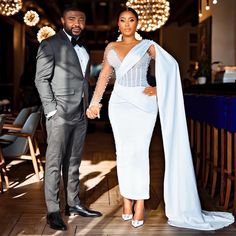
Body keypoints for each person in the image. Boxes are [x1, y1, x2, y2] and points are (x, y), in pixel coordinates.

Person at [86, 7, 234, 230]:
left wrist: (159, 88)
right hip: (119, 104)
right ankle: (127, 201)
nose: (127, 24)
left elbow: (171, 65)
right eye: (123, 20)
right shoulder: (111, 47)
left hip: (143, 104)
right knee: (123, 153)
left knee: (140, 152)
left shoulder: (148, 46)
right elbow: (104, 77)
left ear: (138, 23)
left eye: (131, 20)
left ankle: (140, 205)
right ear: (118, 24)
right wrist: (95, 103)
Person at [35, 4, 102, 231]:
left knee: (73, 162)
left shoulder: (84, 48)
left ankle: (73, 203)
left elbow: (84, 82)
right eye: (72, 19)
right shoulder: (50, 44)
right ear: (63, 21)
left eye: (81, 19)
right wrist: (52, 110)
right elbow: (41, 80)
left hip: (80, 113)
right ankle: (53, 210)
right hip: (59, 114)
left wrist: (90, 105)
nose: (77, 23)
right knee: (54, 163)